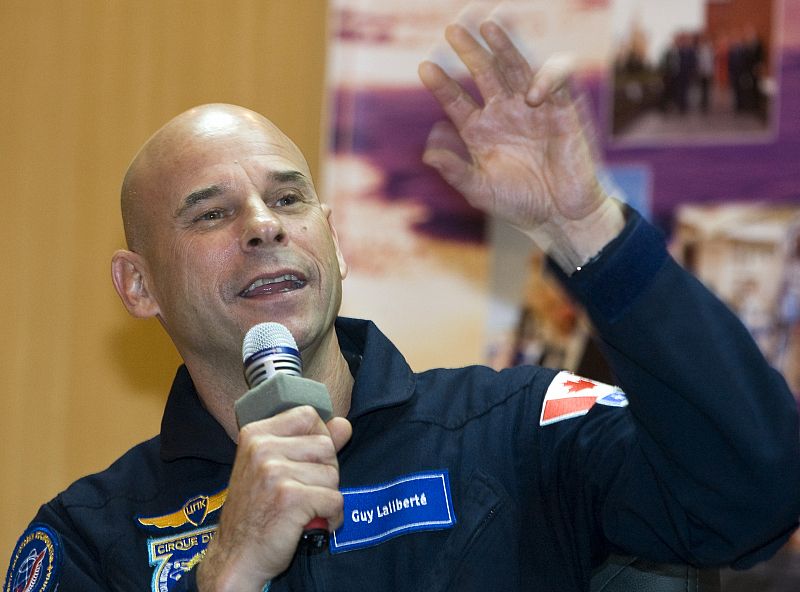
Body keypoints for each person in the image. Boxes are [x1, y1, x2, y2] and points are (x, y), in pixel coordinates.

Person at [5, 21, 800, 592]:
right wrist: (228, 572)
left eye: (289, 199)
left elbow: (753, 496)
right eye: (211, 213)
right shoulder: (89, 536)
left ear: (336, 245)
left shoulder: (514, 431)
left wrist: (585, 224)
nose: (264, 226)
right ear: (139, 285)